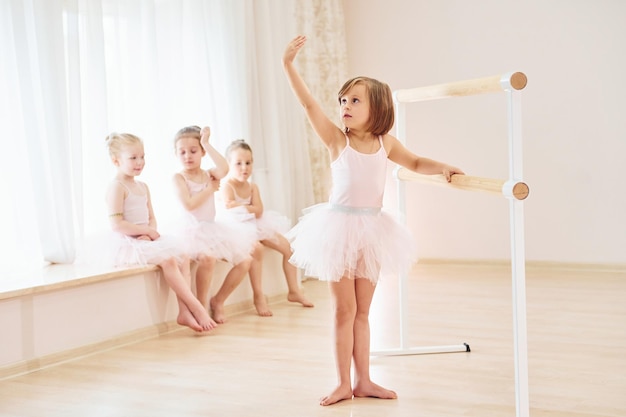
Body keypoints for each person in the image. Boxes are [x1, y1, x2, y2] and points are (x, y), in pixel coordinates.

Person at [282, 35, 465, 406]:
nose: (345, 106)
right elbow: (307, 103)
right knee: (344, 310)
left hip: (373, 230)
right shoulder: (337, 140)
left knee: (363, 312)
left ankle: (364, 379)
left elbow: (414, 163)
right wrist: (288, 65)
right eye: (343, 100)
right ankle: (341, 382)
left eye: (354, 100)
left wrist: (442, 167)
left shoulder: (386, 143)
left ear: (377, 108)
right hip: (339, 230)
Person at [104, 132, 215, 333]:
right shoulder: (116, 187)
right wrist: (143, 232)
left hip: (145, 237)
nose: (140, 162)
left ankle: (184, 312)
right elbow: (117, 224)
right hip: (127, 243)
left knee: (183, 256)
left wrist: (150, 232)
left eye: (142, 156)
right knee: (169, 261)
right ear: (116, 161)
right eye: (133, 158)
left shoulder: (142, 186)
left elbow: (151, 217)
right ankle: (196, 307)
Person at [220, 139, 314, 317]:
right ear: (228, 164)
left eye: (248, 163)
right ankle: (258, 296)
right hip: (237, 228)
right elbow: (229, 207)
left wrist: (243, 208)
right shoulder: (227, 185)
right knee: (257, 250)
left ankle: (294, 290)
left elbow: (259, 210)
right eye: (238, 163)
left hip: (256, 224)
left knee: (289, 247)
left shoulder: (252, 186)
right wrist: (249, 209)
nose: (244, 168)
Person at [172, 125, 254, 324]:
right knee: (208, 259)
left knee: (245, 261)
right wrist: (210, 189)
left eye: (193, 151)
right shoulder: (179, 178)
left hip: (212, 228)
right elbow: (189, 205)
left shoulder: (209, 173)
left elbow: (225, 168)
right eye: (181, 152)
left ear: (202, 152)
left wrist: (207, 142)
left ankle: (218, 300)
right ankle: (200, 308)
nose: (187, 156)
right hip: (192, 230)